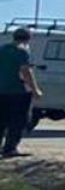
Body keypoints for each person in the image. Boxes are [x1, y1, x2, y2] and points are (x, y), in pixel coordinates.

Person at [0, 27, 42, 158]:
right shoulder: (22, 51)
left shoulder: (2, 49)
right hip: (17, 91)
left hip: (1, 91)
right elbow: (26, 72)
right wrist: (35, 89)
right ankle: (10, 148)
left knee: (1, 120)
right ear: (28, 39)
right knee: (18, 120)